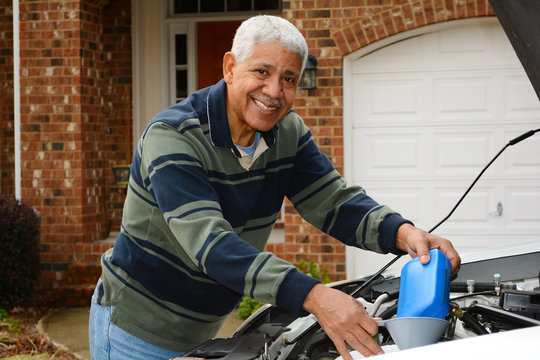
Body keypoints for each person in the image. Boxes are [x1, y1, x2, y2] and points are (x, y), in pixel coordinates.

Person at [89, 15, 461, 360]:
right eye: (262, 71)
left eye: (288, 79)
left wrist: (403, 232)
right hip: (135, 330)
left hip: (206, 327)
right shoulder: (172, 136)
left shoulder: (288, 133)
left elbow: (333, 201)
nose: (274, 90)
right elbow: (211, 244)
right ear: (230, 67)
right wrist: (314, 296)